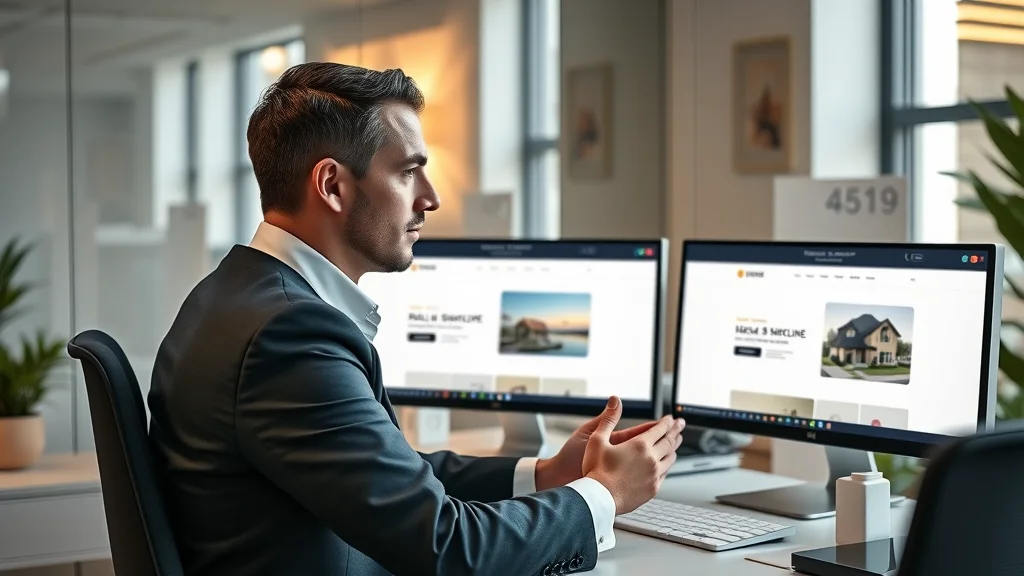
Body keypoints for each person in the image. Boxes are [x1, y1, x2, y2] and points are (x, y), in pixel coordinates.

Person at [147, 62, 685, 576]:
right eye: (408, 172)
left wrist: (546, 474)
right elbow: (451, 552)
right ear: (332, 185)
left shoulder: (231, 295)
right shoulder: (289, 337)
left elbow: (391, 473)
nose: (431, 198)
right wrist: (603, 495)